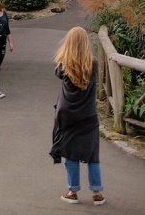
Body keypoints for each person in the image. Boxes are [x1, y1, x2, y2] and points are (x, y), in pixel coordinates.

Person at [50, 26, 105, 206]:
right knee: (92, 154)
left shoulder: (64, 64)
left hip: (68, 116)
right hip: (88, 116)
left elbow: (57, 73)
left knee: (71, 154)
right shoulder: (94, 63)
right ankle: (97, 192)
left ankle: (72, 191)